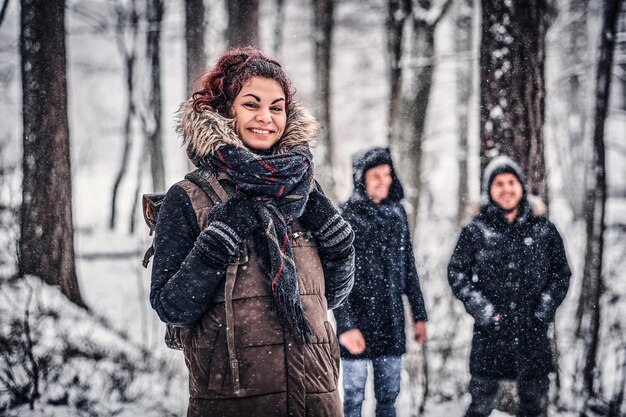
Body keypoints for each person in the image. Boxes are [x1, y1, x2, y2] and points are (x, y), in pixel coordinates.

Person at [149, 47, 355, 417]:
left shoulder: (304, 190)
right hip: (235, 402)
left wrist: (340, 247)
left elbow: (327, 298)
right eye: (251, 104)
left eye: (277, 107)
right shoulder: (189, 197)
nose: (266, 117)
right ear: (226, 109)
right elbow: (172, 308)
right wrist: (217, 241)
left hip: (316, 398)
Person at [448, 156, 571, 417]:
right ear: (489, 190)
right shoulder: (475, 231)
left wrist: (543, 310)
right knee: (480, 405)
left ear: (521, 187)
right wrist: (483, 309)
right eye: (498, 184)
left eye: (511, 182)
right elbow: (457, 273)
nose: (506, 189)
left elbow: (561, 275)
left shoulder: (543, 229)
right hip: (489, 333)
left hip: (533, 333)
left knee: (534, 407)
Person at [333, 147, 428, 417]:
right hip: (356, 325)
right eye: (376, 175)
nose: (383, 180)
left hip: (391, 321)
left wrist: (419, 316)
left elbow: (409, 268)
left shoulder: (397, 214)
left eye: (387, 174)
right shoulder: (344, 216)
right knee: (352, 399)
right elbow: (335, 278)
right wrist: (346, 326)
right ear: (361, 178)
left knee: (388, 399)